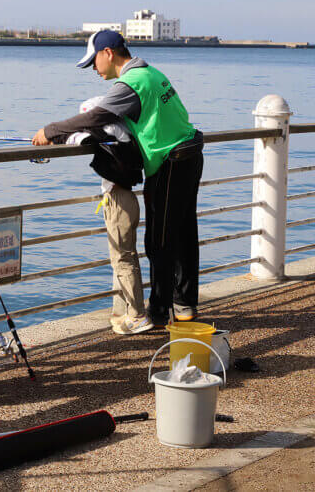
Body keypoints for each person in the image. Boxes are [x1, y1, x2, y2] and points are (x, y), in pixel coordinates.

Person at [32, 30, 203, 326]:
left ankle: (160, 310)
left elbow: (95, 118)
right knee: (185, 233)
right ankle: (185, 305)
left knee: (159, 240)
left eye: (93, 62)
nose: (93, 70)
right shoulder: (150, 72)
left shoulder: (131, 83)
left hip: (169, 161)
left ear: (108, 53)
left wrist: (51, 131)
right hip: (191, 153)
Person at [56, 96, 152, 334]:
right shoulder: (123, 133)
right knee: (123, 257)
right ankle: (122, 312)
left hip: (119, 201)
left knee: (123, 259)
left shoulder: (105, 134)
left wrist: (56, 135)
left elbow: (83, 138)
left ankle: (138, 316)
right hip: (124, 199)